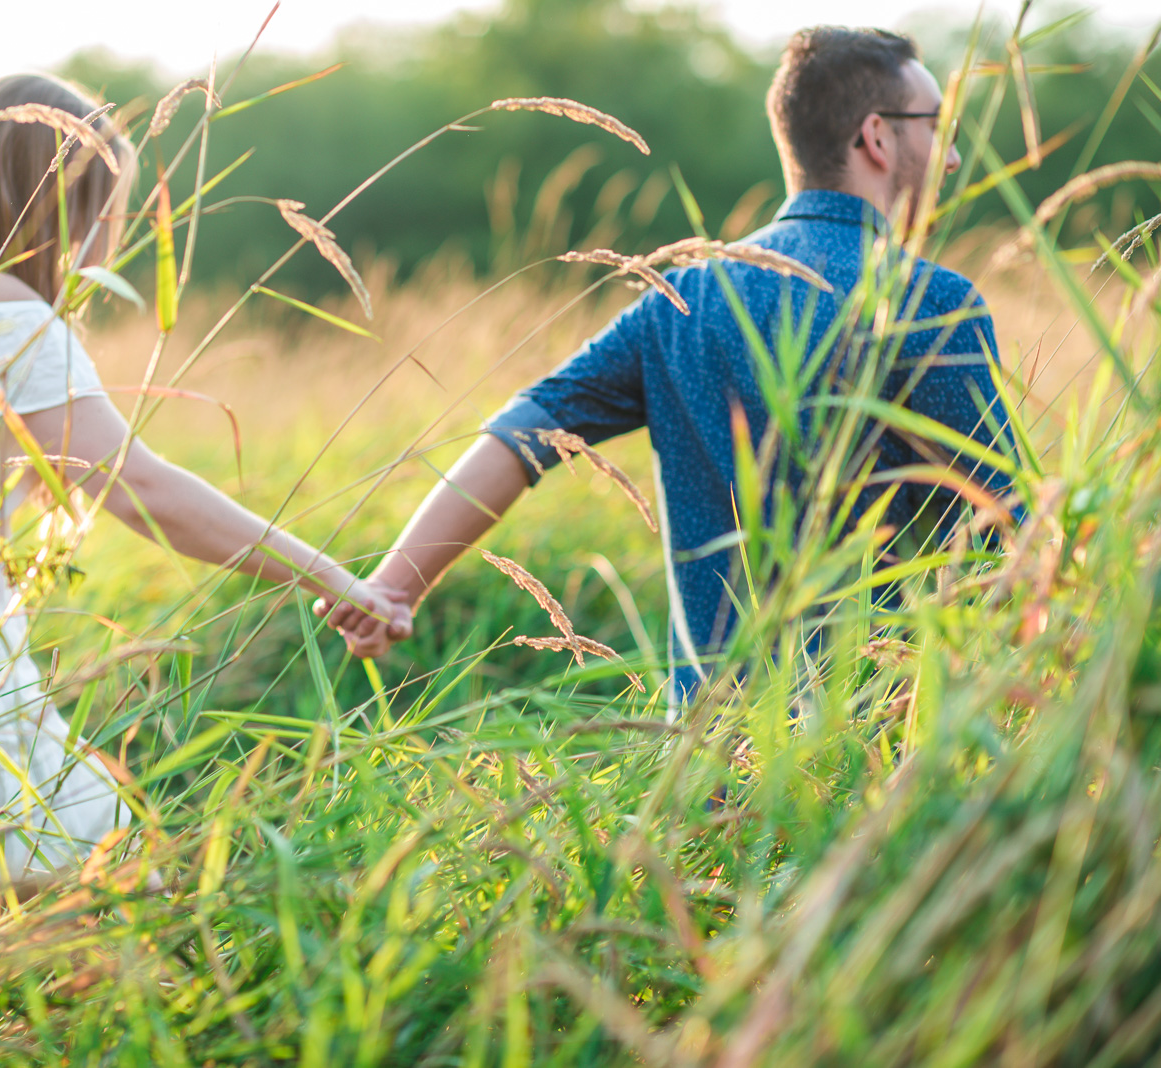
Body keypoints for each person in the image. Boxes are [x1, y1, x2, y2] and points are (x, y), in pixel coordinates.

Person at [0, 73, 410, 891]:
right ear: (57, 195)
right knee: (99, 879)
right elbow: (141, 489)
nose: (104, 245)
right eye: (105, 211)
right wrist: (332, 577)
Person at [320, 27, 1017, 707]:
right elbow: (1010, 537)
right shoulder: (933, 302)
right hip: (876, 747)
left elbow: (520, 433)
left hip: (708, 763)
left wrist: (394, 586)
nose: (952, 156)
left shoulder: (682, 296)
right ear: (876, 135)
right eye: (938, 125)